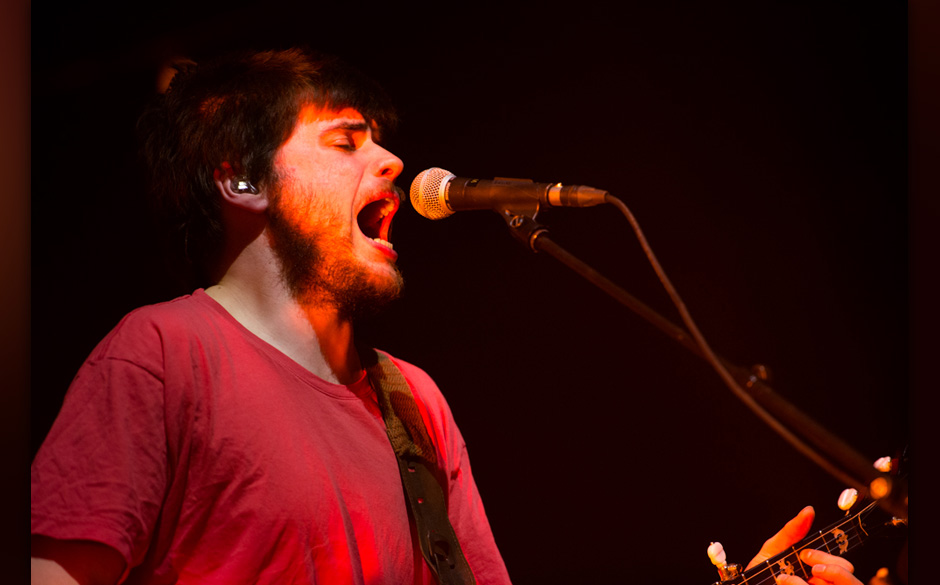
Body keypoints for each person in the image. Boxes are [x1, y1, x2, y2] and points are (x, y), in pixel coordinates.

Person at [29, 48, 865, 585]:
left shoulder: (413, 403)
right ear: (240, 181)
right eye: (346, 141)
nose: (393, 160)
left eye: (379, 140)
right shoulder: (162, 356)